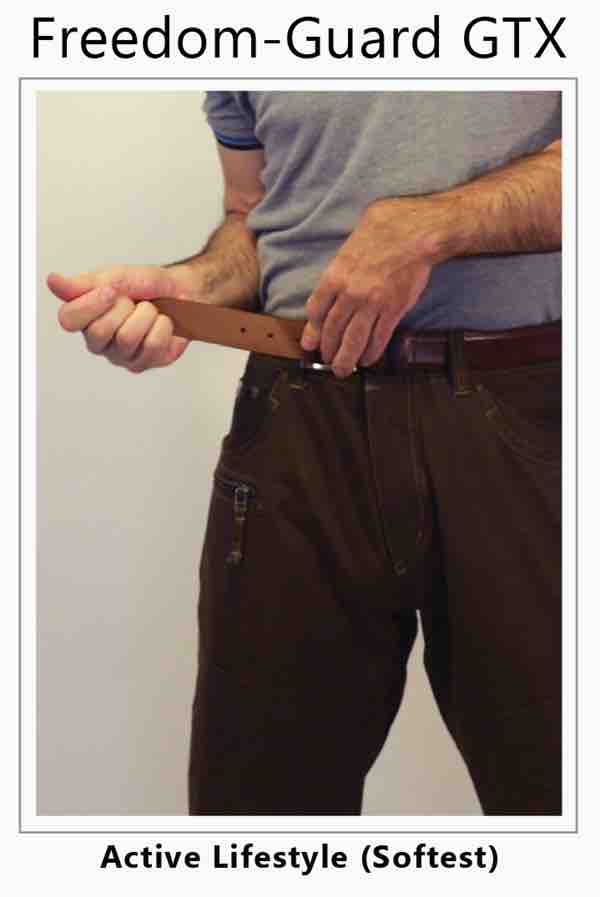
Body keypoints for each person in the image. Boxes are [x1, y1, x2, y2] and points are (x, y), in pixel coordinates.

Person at [47, 91, 562, 816]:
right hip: (295, 421)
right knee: (258, 816)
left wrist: (432, 226)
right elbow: (254, 217)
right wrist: (191, 287)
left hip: (527, 420)